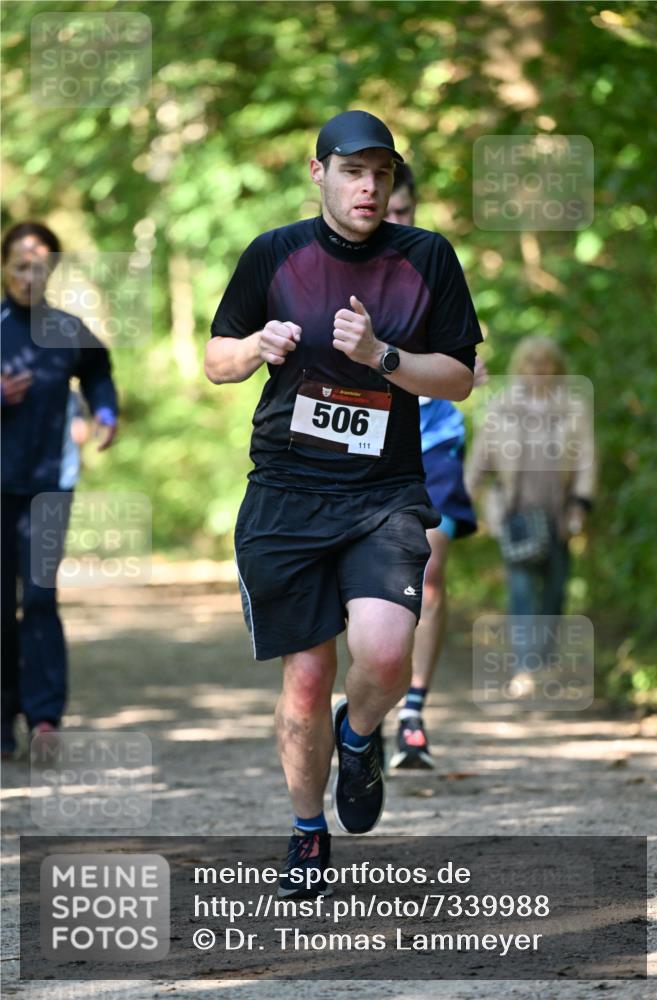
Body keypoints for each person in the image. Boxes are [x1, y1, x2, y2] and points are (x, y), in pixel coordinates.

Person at [205, 111, 482, 895]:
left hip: (381, 492)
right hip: (288, 489)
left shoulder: (425, 258)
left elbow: (458, 377)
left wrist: (381, 357)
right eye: (353, 171)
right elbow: (215, 359)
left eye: (381, 174)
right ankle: (305, 831)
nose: (368, 186)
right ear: (318, 172)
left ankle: (358, 738)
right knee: (304, 673)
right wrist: (256, 347)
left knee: (386, 651)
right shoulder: (275, 254)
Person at [1, 221, 119, 758]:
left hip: (51, 484)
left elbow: (98, 371)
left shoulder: (68, 328)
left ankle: (45, 718)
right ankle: (3, 722)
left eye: (41, 266)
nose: (30, 275)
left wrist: (106, 410)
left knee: (41, 598)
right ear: (5, 267)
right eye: (21, 265)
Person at [385, 163, 484, 769]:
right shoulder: (338, 267)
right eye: (386, 211)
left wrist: (465, 367)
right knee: (370, 587)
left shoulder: (438, 264)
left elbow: (464, 357)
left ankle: (414, 711)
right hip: (366, 441)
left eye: (403, 211)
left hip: (433, 441)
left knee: (429, 568)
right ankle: (373, 693)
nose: (394, 221)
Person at [465, 336, 595, 684]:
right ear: (519, 367)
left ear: (557, 368)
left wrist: (580, 505)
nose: (538, 369)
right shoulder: (500, 407)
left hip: (559, 515)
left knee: (555, 590)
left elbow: (586, 461)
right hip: (515, 515)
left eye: (545, 362)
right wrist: (466, 502)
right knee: (521, 590)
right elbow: (479, 461)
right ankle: (526, 667)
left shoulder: (573, 408)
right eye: (530, 362)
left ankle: (545, 662)